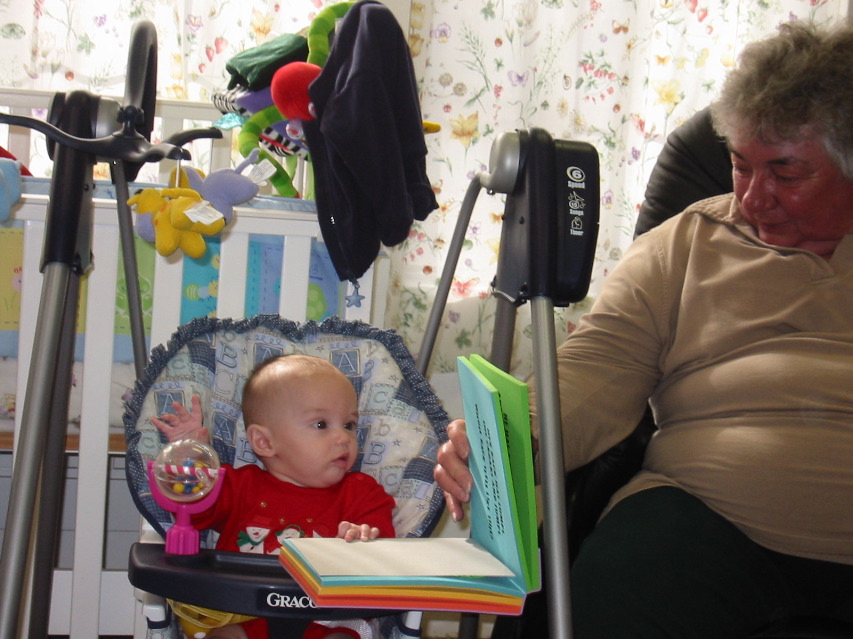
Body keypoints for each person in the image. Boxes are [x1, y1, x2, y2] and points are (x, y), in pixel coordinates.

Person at [435, 19, 853, 638]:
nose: (752, 197)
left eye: (787, 176)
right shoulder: (687, 242)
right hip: (705, 520)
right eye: (739, 165)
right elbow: (593, 374)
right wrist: (504, 442)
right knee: (615, 598)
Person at [154, 354, 396, 639]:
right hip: (242, 613)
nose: (344, 438)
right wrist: (193, 457)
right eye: (321, 424)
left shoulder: (362, 493)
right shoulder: (239, 486)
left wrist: (364, 538)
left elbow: (385, 551)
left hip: (329, 619)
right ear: (264, 442)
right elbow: (192, 513)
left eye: (349, 425)